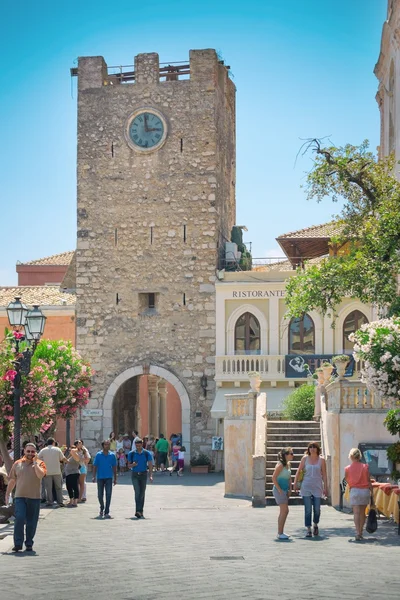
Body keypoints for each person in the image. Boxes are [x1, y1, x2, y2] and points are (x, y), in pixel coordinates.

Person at [5, 442, 46, 552]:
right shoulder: (17, 464)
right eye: (28, 451)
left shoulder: (40, 463)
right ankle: (18, 543)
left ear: (35, 452)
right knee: (19, 518)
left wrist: (35, 463)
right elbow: (12, 480)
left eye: (32, 451)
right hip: (20, 497)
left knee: (32, 522)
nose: (30, 453)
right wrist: (7, 494)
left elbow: (40, 475)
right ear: (24, 451)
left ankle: (29, 543)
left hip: (35, 498)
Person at [294, 441, 328, 537]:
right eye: (310, 447)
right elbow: (299, 470)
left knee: (317, 508)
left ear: (317, 449)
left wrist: (326, 487)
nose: (312, 449)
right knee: (308, 509)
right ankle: (308, 528)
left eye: (314, 447)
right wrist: (295, 483)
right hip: (306, 485)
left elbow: (324, 475)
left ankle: (315, 524)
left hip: (317, 486)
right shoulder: (305, 459)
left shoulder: (321, 460)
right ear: (308, 449)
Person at [344, 448, 373, 540]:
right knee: (362, 513)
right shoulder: (365, 467)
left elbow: (347, 480)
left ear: (351, 456)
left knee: (356, 513)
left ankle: (357, 532)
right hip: (364, 491)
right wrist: (372, 492)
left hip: (355, 491)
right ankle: (361, 531)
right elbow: (369, 481)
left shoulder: (347, 468)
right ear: (359, 456)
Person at [127, 438, 153, 518]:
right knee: (137, 492)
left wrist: (151, 475)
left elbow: (150, 465)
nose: (138, 447)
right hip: (135, 475)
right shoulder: (131, 453)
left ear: (142, 445)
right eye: (136, 446)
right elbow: (128, 465)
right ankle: (138, 510)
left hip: (143, 474)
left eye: (139, 445)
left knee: (142, 493)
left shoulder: (146, 453)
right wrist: (132, 465)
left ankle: (141, 511)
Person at [38, 437, 67, 507]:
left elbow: (38, 458)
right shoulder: (57, 449)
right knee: (58, 487)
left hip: (47, 472)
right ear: (53, 443)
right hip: (57, 471)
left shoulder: (43, 450)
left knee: (48, 488)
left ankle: (49, 501)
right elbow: (62, 458)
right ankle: (60, 501)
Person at [272, 447, 293, 540]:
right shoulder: (280, 465)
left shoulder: (288, 464)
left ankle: (281, 532)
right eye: (291, 453)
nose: (292, 455)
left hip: (285, 490)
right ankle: (280, 533)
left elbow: (289, 478)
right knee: (284, 511)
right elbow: (274, 478)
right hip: (279, 490)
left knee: (285, 511)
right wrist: (279, 489)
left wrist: (290, 489)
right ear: (285, 455)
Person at [92, 440, 117, 518]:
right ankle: (102, 507)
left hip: (109, 477)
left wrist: (115, 478)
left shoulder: (112, 455)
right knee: (100, 495)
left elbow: (114, 467)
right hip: (100, 477)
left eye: (108, 444)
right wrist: (93, 476)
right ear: (103, 446)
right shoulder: (98, 455)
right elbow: (95, 466)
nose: (107, 446)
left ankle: (107, 511)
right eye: (106, 444)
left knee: (108, 495)